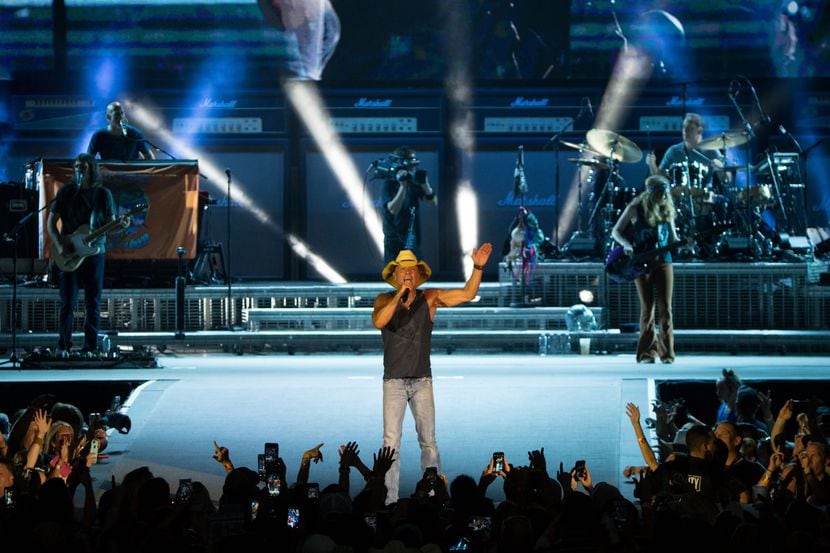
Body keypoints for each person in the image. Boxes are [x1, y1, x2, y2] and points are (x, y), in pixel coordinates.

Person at [372, 243, 493, 505]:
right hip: (393, 382)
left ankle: (432, 496)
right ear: (394, 276)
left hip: (421, 381)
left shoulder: (430, 297)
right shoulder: (383, 300)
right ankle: (388, 499)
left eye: (412, 270)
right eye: (402, 270)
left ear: (419, 275)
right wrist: (399, 296)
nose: (407, 274)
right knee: (390, 443)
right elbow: (380, 321)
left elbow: (467, 294)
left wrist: (478, 267)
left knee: (429, 442)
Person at [47, 153, 117, 354]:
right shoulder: (66, 192)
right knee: (67, 302)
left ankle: (90, 347)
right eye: (76, 166)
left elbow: (111, 224)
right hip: (68, 252)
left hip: (95, 253)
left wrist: (121, 224)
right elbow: (51, 223)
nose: (78, 170)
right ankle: (63, 346)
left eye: (83, 167)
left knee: (92, 303)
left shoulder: (103, 194)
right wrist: (59, 246)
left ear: (91, 170)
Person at [611, 175, 680, 364]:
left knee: (666, 307)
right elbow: (615, 230)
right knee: (647, 307)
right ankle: (647, 352)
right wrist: (626, 244)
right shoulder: (634, 208)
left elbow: (672, 239)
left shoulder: (667, 210)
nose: (665, 198)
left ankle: (667, 353)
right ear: (652, 193)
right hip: (642, 263)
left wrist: (685, 244)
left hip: (664, 261)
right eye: (661, 193)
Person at [380, 146, 437, 263]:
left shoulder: (414, 182)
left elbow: (433, 202)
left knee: (415, 273)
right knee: (395, 275)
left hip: (412, 235)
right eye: (410, 163)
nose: (413, 167)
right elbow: (392, 209)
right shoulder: (389, 184)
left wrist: (425, 185)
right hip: (394, 237)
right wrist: (403, 187)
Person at [87, 101, 155, 161]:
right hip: (108, 174)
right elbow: (88, 159)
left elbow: (149, 158)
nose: (121, 117)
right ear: (108, 117)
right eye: (117, 114)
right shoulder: (99, 136)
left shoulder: (136, 134)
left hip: (132, 174)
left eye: (122, 113)